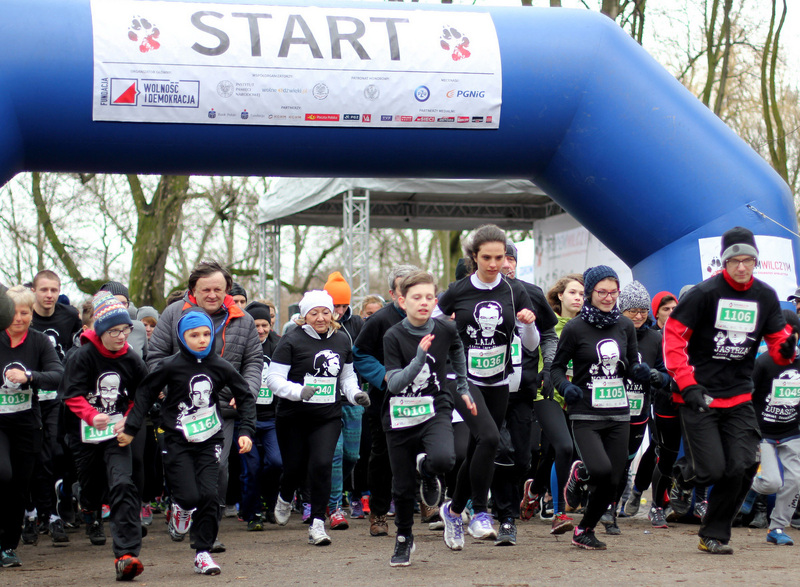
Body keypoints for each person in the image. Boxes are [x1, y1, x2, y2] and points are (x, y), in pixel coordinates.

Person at [663, 226, 797, 554]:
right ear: (723, 262)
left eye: (748, 260)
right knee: (711, 470)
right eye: (734, 261)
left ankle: (714, 534)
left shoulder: (764, 296)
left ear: (755, 262)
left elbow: (778, 343)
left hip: (738, 395)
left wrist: (786, 350)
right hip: (699, 393)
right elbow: (673, 337)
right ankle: (682, 473)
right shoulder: (704, 294)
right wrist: (687, 384)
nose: (741, 267)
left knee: (743, 466)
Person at [119, 310, 256, 575]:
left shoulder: (220, 365)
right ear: (182, 338)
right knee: (189, 496)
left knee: (210, 495)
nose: (202, 340)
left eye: (206, 334)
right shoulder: (170, 366)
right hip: (176, 439)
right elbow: (145, 393)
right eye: (194, 335)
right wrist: (132, 427)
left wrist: (247, 431)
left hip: (210, 438)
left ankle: (202, 553)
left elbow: (245, 396)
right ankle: (181, 508)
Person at [148, 260, 262, 553]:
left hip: (222, 407)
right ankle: (182, 506)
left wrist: (247, 390)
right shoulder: (174, 314)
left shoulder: (244, 320)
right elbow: (156, 355)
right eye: (205, 290)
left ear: (227, 289)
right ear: (193, 290)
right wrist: (168, 389)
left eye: (218, 289)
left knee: (218, 468)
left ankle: (207, 531)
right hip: (181, 410)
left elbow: (253, 361)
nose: (212, 295)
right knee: (185, 470)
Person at [436, 224, 538, 548]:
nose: (494, 264)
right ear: (474, 257)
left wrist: (528, 324)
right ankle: (480, 512)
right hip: (462, 378)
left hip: (499, 380)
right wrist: (442, 330)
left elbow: (531, 344)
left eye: (500, 257)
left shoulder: (514, 291)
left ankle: (453, 511)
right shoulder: (458, 291)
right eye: (487, 258)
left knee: (478, 449)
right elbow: (430, 323)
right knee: (491, 438)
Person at [553, 265, 650, 550]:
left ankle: (584, 529)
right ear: (590, 293)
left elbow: (629, 364)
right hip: (585, 412)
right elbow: (556, 369)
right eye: (602, 292)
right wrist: (565, 387)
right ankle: (582, 473)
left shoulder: (624, 326)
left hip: (618, 412)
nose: (608, 298)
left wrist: (639, 372)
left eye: (613, 292)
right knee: (601, 470)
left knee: (613, 480)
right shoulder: (574, 328)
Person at [382, 271, 474, 566]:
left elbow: (457, 349)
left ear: (436, 301)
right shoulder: (393, 336)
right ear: (402, 301)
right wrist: (419, 358)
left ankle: (428, 469)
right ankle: (403, 538)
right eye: (416, 297)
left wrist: (463, 387)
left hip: (435, 407)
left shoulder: (445, 329)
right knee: (402, 486)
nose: (423, 302)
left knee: (445, 459)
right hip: (400, 413)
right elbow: (395, 384)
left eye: (429, 297)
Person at [266, 290, 370, 546]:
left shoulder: (342, 339)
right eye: (314, 313)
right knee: (294, 468)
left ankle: (317, 524)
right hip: (293, 417)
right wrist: (298, 391)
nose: (321, 318)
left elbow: (347, 377)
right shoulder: (291, 340)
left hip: (327, 416)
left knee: (322, 465)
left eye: (325, 312)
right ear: (304, 316)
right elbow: (273, 379)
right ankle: (285, 495)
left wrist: (355, 394)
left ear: (332, 313)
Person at [61, 291, 148, 580]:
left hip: (116, 434)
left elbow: (141, 397)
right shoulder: (82, 356)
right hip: (85, 434)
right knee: (91, 487)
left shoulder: (132, 359)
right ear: (100, 331)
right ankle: (86, 503)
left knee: (122, 485)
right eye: (114, 331)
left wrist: (128, 422)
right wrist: (90, 415)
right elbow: (71, 395)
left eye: (126, 330)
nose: (122, 336)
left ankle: (126, 555)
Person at [492, 240, 559, 544]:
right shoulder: (478, 295)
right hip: (489, 389)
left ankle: (502, 500)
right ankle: (505, 517)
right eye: (499, 258)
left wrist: (549, 367)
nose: (505, 264)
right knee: (499, 450)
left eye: (510, 258)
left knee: (522, 459)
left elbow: (549, 333)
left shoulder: (531, 293)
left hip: (523, 389)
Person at [353, 265, 420, 537]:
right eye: (403, 289)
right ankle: (379, 513)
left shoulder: (431, 318)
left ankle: (426, 504)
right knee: (382, 457)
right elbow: (360, 354)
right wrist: (385, 376)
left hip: (422, 398)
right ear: (393, 293)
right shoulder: (379, 320)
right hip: (386, 400)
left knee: (423, 450)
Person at [0, 285, 63, 568]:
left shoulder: (39, 342)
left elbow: (58, 374)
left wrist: (29, 376)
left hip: (27, 424)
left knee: (19, 487)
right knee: (3, 474)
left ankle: (7, 546)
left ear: (31, 315)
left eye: (24, 312)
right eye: (13, 312)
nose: (18, 318)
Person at [601, 280, 670, 533]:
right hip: (609, 409)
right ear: (622, 310)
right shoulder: (612, 332)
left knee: (623, 465)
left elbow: (666, 372)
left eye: (643, 311)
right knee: (608, 463)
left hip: (638, 412)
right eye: (633, 311)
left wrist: (657, 376)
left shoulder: (655, 338)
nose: (639, 316)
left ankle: (610, 511)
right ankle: (599, 500)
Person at [521, 274, 584, 533]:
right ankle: (559, 512)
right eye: (573, 293)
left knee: (552, 454)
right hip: (546, 394)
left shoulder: (587, 326)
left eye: (582, 294)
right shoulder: (548, 324)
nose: (578, 298)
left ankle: (534, 490)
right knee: (563, 447)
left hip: (575, 396)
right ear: (560, 295)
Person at [734, 309, 800, 545]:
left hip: (791, 432)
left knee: (796, 480)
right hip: (764, 433)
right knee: (771, 482)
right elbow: (746, 397)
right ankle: (746, 489)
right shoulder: (762, 362)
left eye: (793, 335)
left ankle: (777, 528)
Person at [27, 270, 82, 543]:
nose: (49, 295)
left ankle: (57, 510)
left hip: (60, 395)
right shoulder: (26, 317)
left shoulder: (69, 316)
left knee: (58, 453)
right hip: (31, 395)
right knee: (37, 455)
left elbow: (78, 349)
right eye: (44, 290)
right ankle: (36, 512)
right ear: (34, 291)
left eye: (54, 290)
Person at [323, 271, 365, 529]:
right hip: (326, 400)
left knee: (352, 455)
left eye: (343, 306)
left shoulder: (357, 323)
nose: (338, 311)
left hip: (352, 397)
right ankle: (334, 506)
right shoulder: (318, 321)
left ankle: (336, 488)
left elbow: (365, 354)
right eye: (335, 305)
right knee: (335, 455)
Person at [238, 302, 283, 529]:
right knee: (252, 467)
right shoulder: (241, 346)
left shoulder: (279, 345)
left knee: (276, 462)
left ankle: (269, 501)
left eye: (264, 324)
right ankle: (252, 512)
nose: (261, 330)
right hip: (246, 418)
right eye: (256, 325)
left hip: (272, 418)